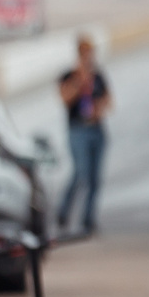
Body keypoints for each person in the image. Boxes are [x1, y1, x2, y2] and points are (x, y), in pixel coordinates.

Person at [54, 36, 111, 239]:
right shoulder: (69, 75)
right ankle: (63, 210)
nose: (89, 57)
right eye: (85, 53)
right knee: (81, 173)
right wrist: (80, 82)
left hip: (96, 129)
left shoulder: (98, 76)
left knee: (95, 179)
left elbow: (108, 100)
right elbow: (64, 98)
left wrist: (99, 109)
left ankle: (88, 219)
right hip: (77, 129)